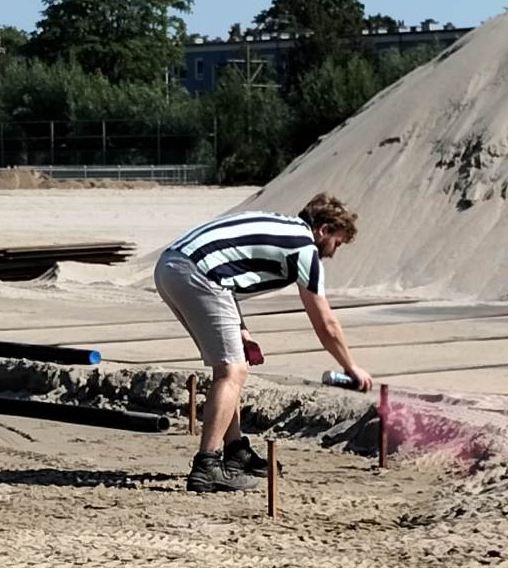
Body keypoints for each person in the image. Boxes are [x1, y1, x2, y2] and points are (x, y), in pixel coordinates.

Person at [154, 193, 374, 493]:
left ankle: (235, 453)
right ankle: (207, 466)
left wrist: (241, 328)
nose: (334, 251)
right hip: (197, 273)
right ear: (322, 229)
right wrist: (351, 367)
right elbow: (325, 323)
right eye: (337, 241)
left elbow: (229, 269)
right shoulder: (304, 248)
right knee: (232, 372)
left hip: (173, 266)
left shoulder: (283, 228)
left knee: (230, 367)